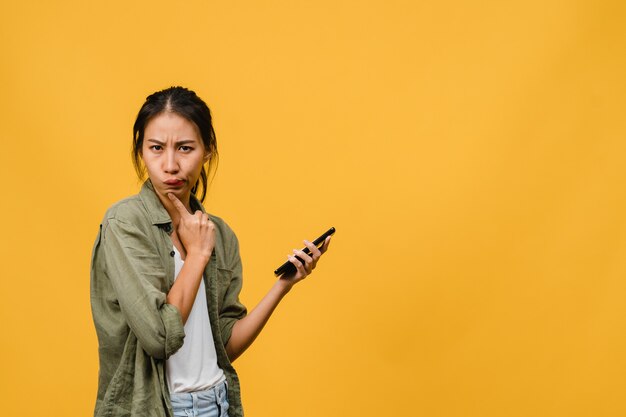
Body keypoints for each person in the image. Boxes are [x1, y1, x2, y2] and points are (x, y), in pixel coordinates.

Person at [90, 86, 332, 417]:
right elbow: (159, 338)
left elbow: (224, 346)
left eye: (185, 148)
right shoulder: (125, 223)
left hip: (218, 403)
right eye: (156, 148)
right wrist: (198, 255)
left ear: (207, 150)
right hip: (156, 407)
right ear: (141, 151)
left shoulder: (220, 234)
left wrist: (283, 285)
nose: (171, 164)